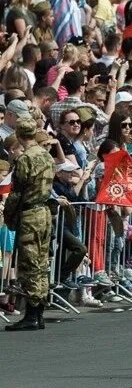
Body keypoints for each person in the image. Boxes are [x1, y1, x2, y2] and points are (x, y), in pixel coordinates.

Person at [3, 118, 55, 332]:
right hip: (44, 211)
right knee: (41, 262)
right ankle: (38, 311)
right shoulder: (46, 155)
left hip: (31, 212)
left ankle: (32, 314)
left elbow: (17, 191)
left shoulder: (26, 159)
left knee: (30, 263)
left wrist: (9, 213)